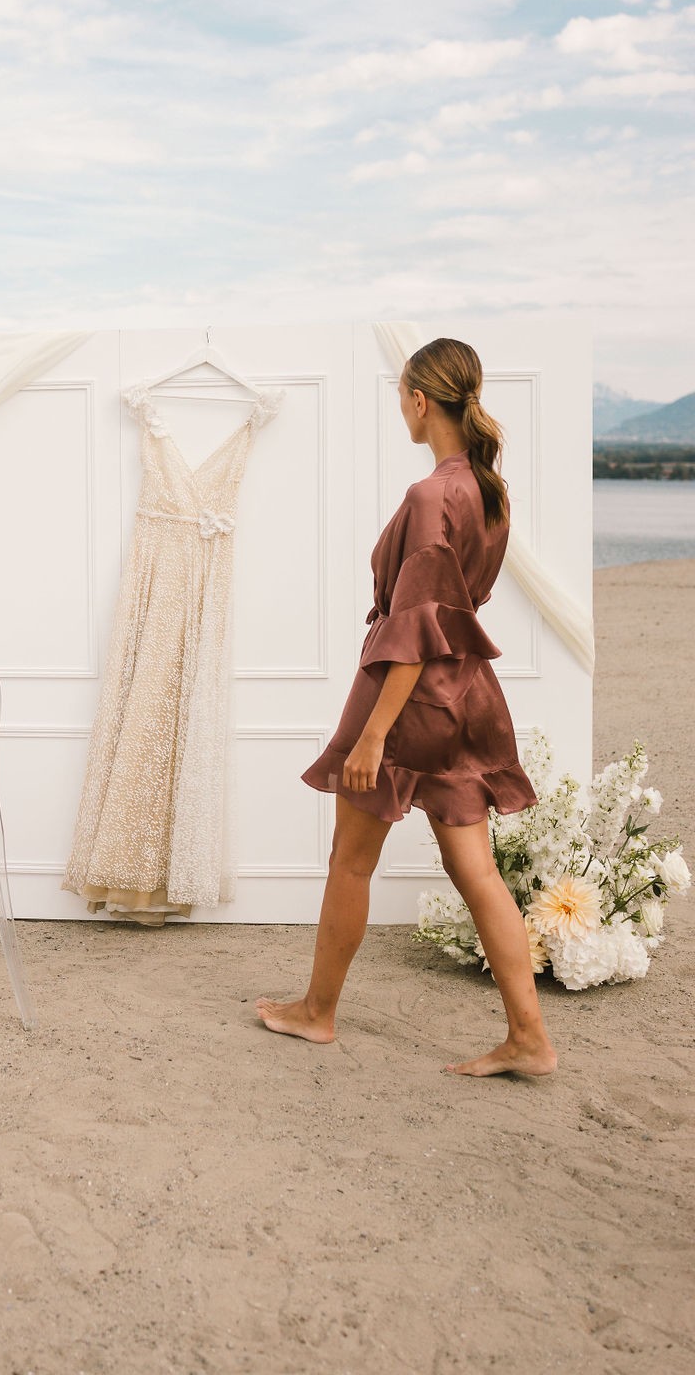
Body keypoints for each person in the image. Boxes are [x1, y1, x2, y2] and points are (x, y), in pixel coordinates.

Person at [256, 338, 557, 1078]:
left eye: (401, 396)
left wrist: (373, 738)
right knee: (477, 872)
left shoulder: (432, 495)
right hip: (469, 699)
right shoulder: (491, 490)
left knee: (350, 864)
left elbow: (418, 623)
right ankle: (529, 1039)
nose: (400, 407)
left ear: (422, 401)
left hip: (408, 699)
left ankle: (317, 1014)